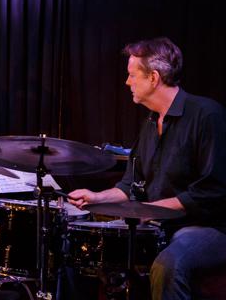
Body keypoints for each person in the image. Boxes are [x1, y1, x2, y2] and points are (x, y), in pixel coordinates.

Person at [68, 37, 226, 300]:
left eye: (132, 75)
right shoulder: (151, 123)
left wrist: (151, 210)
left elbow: (212, 191)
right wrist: (96, 198)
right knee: (79, 250)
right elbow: (131, 185)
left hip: (208, 228)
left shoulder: (207, 116)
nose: (127, 82)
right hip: (159, 225)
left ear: (153, 78)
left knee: (168, 265)